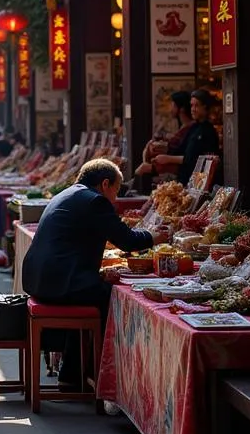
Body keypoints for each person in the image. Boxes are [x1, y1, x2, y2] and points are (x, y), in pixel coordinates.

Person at [21, 158, 164, 390]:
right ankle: (110, 380)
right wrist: (156, 236)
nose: (116, 198)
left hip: (39, 278)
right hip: (60, 283)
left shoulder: (68, 194)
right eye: (116, 190)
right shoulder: (95, 201)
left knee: (94, 291)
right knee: (115, 299)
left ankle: (71, 375)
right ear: (105, 184)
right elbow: (127, 240)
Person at [160, 88, 220, 185]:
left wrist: (167, 159)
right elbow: (180, 150)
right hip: (185, 181)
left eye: (196, 105)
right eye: (191, 105)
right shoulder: (193, 128)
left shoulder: (209, 131)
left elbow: (193, 158)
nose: (192, 109)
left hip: (199, 184)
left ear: (205, 108)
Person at [135, 91, 193, 182]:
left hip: (176, 169)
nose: (171, 109)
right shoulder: (183, 127)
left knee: (142, 169)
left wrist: (166, 156)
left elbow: (186, 155)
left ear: (181, 109)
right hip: (168, 165)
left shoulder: (190, 128)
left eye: (173, 106)